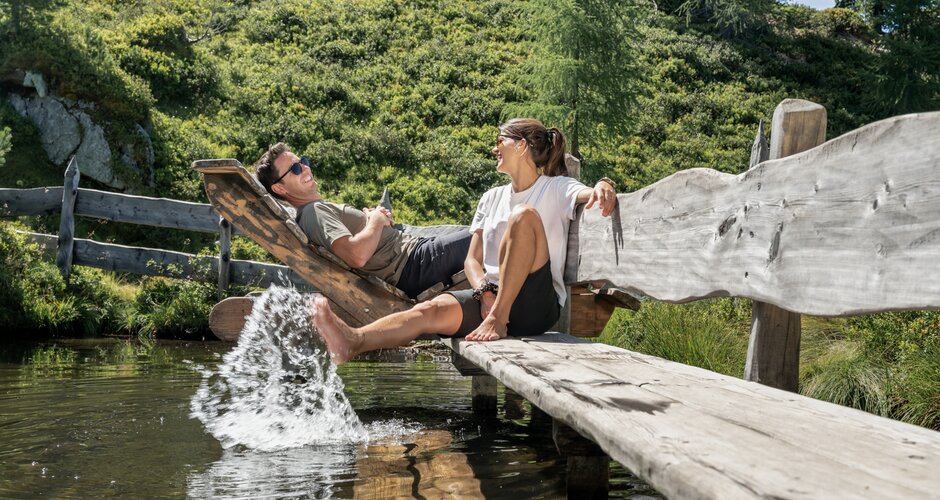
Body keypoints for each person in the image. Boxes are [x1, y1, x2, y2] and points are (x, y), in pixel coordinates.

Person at [311, 119, 618, 363]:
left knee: (522, 216)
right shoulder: (491, 197)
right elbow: (473, 259)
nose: (494, 149)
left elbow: (589, 193)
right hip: (492, 300)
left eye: (500, 142)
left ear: (522, 146)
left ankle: (498, 319)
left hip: (536, 304)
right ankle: (354, 341)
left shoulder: (555, 188)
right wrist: (484, 293)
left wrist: (605, 183)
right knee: (428, 311)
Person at [253, 143, 471, 299]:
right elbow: (356, 256)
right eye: (295, 169)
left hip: (415, 257)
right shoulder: (314, 212)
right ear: (279, 188)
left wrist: (370, 221)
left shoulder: (313, 212)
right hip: (414, 264)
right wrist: (375, 220)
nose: (306, 168)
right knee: (490, 233)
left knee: (486, 233)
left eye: (304, 162)